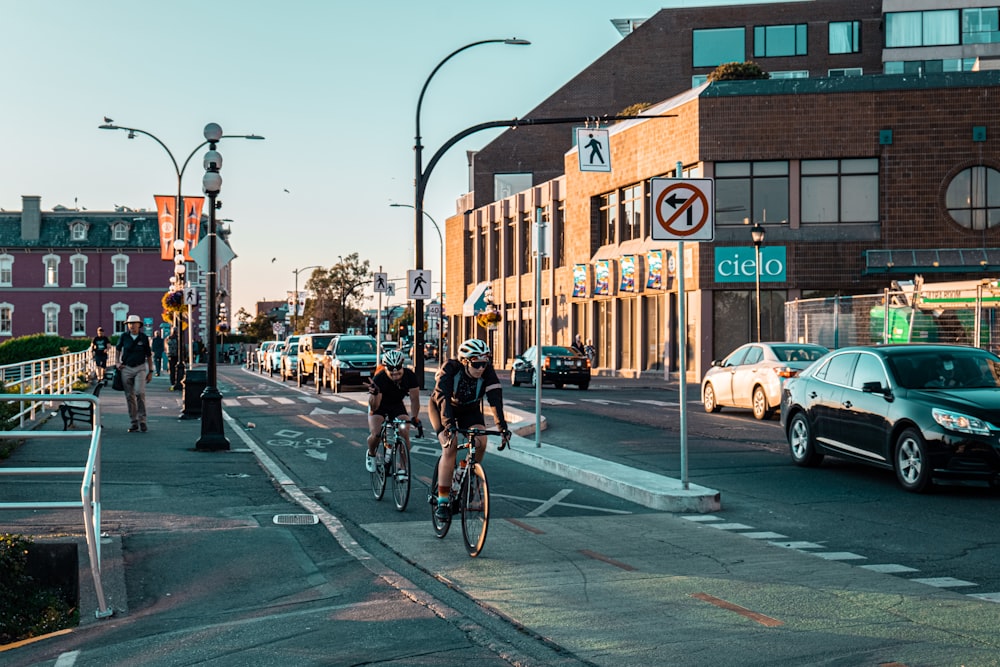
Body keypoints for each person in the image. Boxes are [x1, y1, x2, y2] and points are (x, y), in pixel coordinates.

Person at [427, 338, 511, 521]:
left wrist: (502, 428)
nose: (481, 368)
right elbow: (442, 400)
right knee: (450, 446)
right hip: (443, 408)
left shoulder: (487, 372)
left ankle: (467, 471)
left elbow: (495, 400)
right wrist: (449, 426)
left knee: (481, 441)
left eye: (485, 363)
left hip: (470, 410)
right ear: (465, 361)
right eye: (477, 363)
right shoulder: (450, 369)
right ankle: (442, 501)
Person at [363, 350, 422, 473]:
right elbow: (374, 407)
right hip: (380, 406)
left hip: (396, 405)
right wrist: (375, 393)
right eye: (390, 368)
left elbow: (414, 399)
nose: (395, 371)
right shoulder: (379, 379)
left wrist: (414, 417)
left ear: (402, 364)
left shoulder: (409, 376)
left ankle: (403, 467)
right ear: (385, 368)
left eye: (398, 367)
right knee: (376, 433)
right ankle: (371, 453)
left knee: (404, 431)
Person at [116, 315, 154, 432]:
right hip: (126, 368)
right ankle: (134, 421)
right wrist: (117, 362)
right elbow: (118, 349)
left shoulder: (143, 338)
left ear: (139, 325)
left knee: (139, 392)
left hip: (140, 368)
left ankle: (142, 420)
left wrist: (151, 371)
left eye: (134, 323)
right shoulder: (124, 336)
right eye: (130, 324)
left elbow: (148, 355)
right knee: (129, 396)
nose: (132, 326)